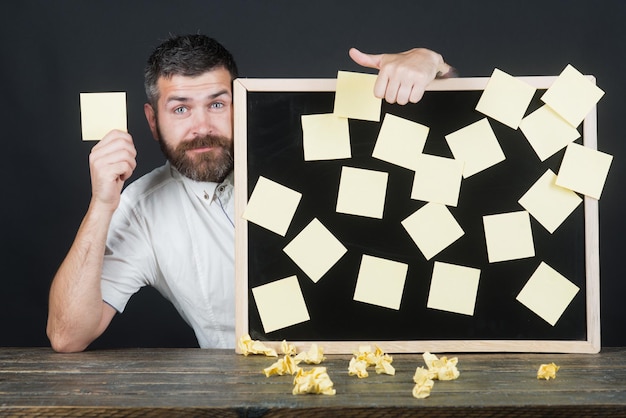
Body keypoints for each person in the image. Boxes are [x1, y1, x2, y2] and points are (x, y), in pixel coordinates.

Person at [46, 34, 454, 353]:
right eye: (181, 109)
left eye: (217, 104)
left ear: (239, 102)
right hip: (249, 394)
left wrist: (431, 65)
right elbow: (67, 336)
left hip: (383, 369)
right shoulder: (141, 210)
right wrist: (101, 204)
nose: (202, 126)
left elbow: (449, 161)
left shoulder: (313, 148)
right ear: (153, 120)